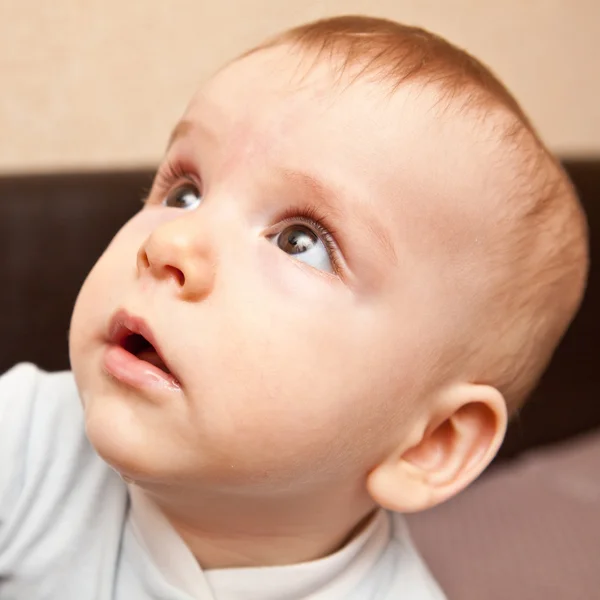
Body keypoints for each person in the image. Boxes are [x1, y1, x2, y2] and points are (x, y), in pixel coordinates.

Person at [0, 15, 588, 600]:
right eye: (184, 191)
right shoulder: (29, 438)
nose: (170, 243)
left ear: (429, 443)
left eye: (299, 241)